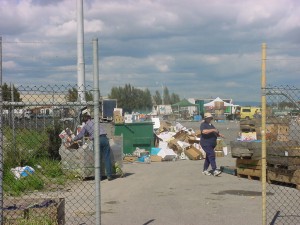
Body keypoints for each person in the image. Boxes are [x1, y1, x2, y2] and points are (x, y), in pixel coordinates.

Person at [69, 112, 113, 181]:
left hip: (97, 140)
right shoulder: (96, 122)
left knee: (97, 159)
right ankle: (109, 175)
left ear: (84, 121)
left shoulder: (86, 126)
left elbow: (80, 135)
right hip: (104, 138)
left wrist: (72, 139)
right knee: (107, 157)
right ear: (90, 118)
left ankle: (98, 177)